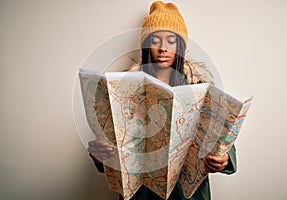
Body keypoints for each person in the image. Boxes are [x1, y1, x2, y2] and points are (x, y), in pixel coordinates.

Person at [88, 1, 236, 199]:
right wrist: (101, 156)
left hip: (187, 194)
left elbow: (220, 138)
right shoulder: (123, 90)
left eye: (171, 41)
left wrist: (225, 159)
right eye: (155, 40)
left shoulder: (201, 87)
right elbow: (113, 140)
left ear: (180, 46)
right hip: (142, 194)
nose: (163, 48)